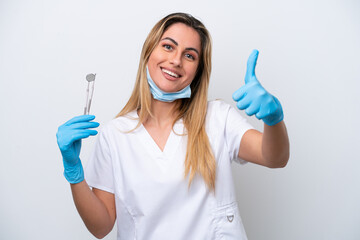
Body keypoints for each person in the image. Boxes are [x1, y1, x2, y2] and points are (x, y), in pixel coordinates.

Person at [56, 12, 289, 240]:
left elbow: (274, 158)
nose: (176, 60)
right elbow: (101, 227)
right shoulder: (115, 135)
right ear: (149, 52)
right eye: (168, 46)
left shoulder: (218, 118)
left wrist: (273, 120)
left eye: (190, 56)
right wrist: (74, 170)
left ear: (197, 71)